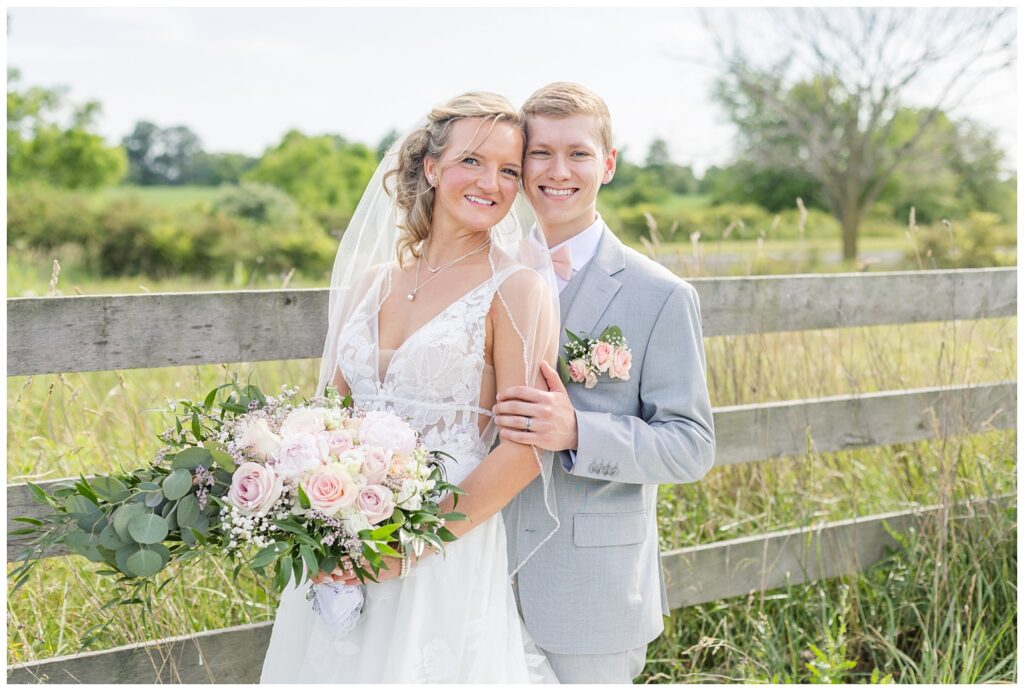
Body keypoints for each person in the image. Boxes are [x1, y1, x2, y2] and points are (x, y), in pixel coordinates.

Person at [260, 93, 562, 683]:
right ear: (430, 167)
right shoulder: (373, 282)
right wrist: (318, 524)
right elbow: (329, 421)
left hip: (441, 550)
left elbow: (525, 452)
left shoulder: (518, 288)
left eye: (508, 170)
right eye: (472, 161)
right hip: (341, 543)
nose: (491, 184)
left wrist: (406, 552)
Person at [494, 82, 716, 684]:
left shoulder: (661, 295)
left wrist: (577, 431)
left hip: (591, 591)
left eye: (579, 154)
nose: (557, 171)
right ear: (518, 166)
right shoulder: (483, 274)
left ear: (608, 164)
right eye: (540, 153)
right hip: (478, 577)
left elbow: (691, 445)